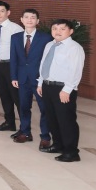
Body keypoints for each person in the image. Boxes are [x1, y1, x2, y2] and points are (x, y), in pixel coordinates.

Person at [36, 20, 84, 162]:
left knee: (66, 120)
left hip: (63, 88)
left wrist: (67, 89)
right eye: (55, 28)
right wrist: (40, 83)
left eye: (62, 29)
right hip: (47, 85)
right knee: (52, 118)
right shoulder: (50, 45)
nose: (58, 31)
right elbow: (43, 64)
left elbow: (76, 70)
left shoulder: (74, 48)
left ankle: (71, 151)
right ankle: (58, 145)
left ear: (70, 31)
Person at [10, 9, 53, 146]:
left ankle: (45, 136)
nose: (29, 20)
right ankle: (25, 132)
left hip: (39, 79)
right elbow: (14, 59)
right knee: (23, 106)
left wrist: (44, 78)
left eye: (33, 17)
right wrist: (14, 76)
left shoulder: (46, 38)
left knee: (44, 107)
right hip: (22, 79)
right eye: (26, 17)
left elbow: (48, 60)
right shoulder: (15, 37)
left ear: (37, 21)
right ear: (21, 20)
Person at [0, 1, 23, 132]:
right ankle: (9, 122)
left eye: (2, 11)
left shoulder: (16, 29)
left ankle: (24, 127)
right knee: (4, 95)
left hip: (12, 65)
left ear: (8, 12)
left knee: (17, 97)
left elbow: (22, 51)